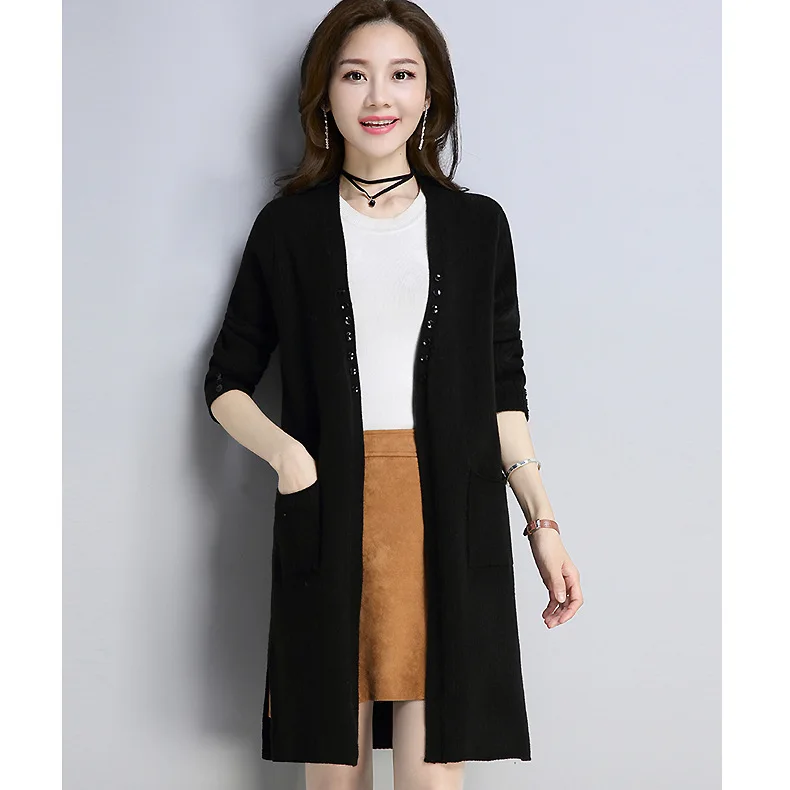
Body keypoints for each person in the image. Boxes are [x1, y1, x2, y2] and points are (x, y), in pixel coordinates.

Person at [204, 1, 584, 788]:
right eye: (355, 75)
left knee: (433, 769)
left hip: (448, 514)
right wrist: (289, 458)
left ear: (430, 94)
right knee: (334, 770)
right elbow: (225, 382)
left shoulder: (477, 226)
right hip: (330, 505)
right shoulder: (288, 229)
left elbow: (503, 390)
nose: (379, 96)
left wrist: (541, 523)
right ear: (324, 94)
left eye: (401, 74)